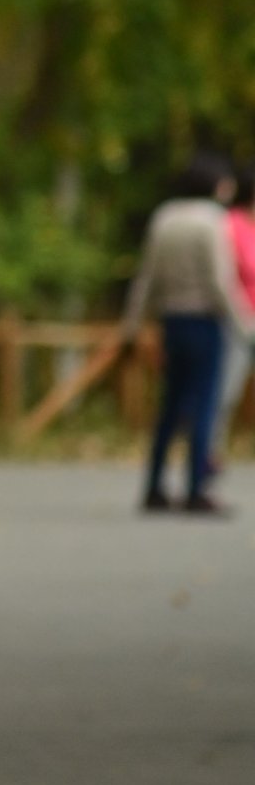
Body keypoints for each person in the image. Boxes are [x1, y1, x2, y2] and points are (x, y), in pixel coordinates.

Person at [123, 154, 255, 516]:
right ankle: (196, 488)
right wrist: (243, 325)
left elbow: (147, 277)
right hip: (205, 322)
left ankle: (154, 486)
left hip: (172, 321)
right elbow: (219, 281)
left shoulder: (165, 217)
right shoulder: (212, 222)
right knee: (205, 405)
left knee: (170, 405)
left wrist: (132, 325)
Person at [215, 165, 255, 460]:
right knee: (226, 392)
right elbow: (224, 278)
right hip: (239, 322)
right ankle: (209, 453)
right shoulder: (230, 224)